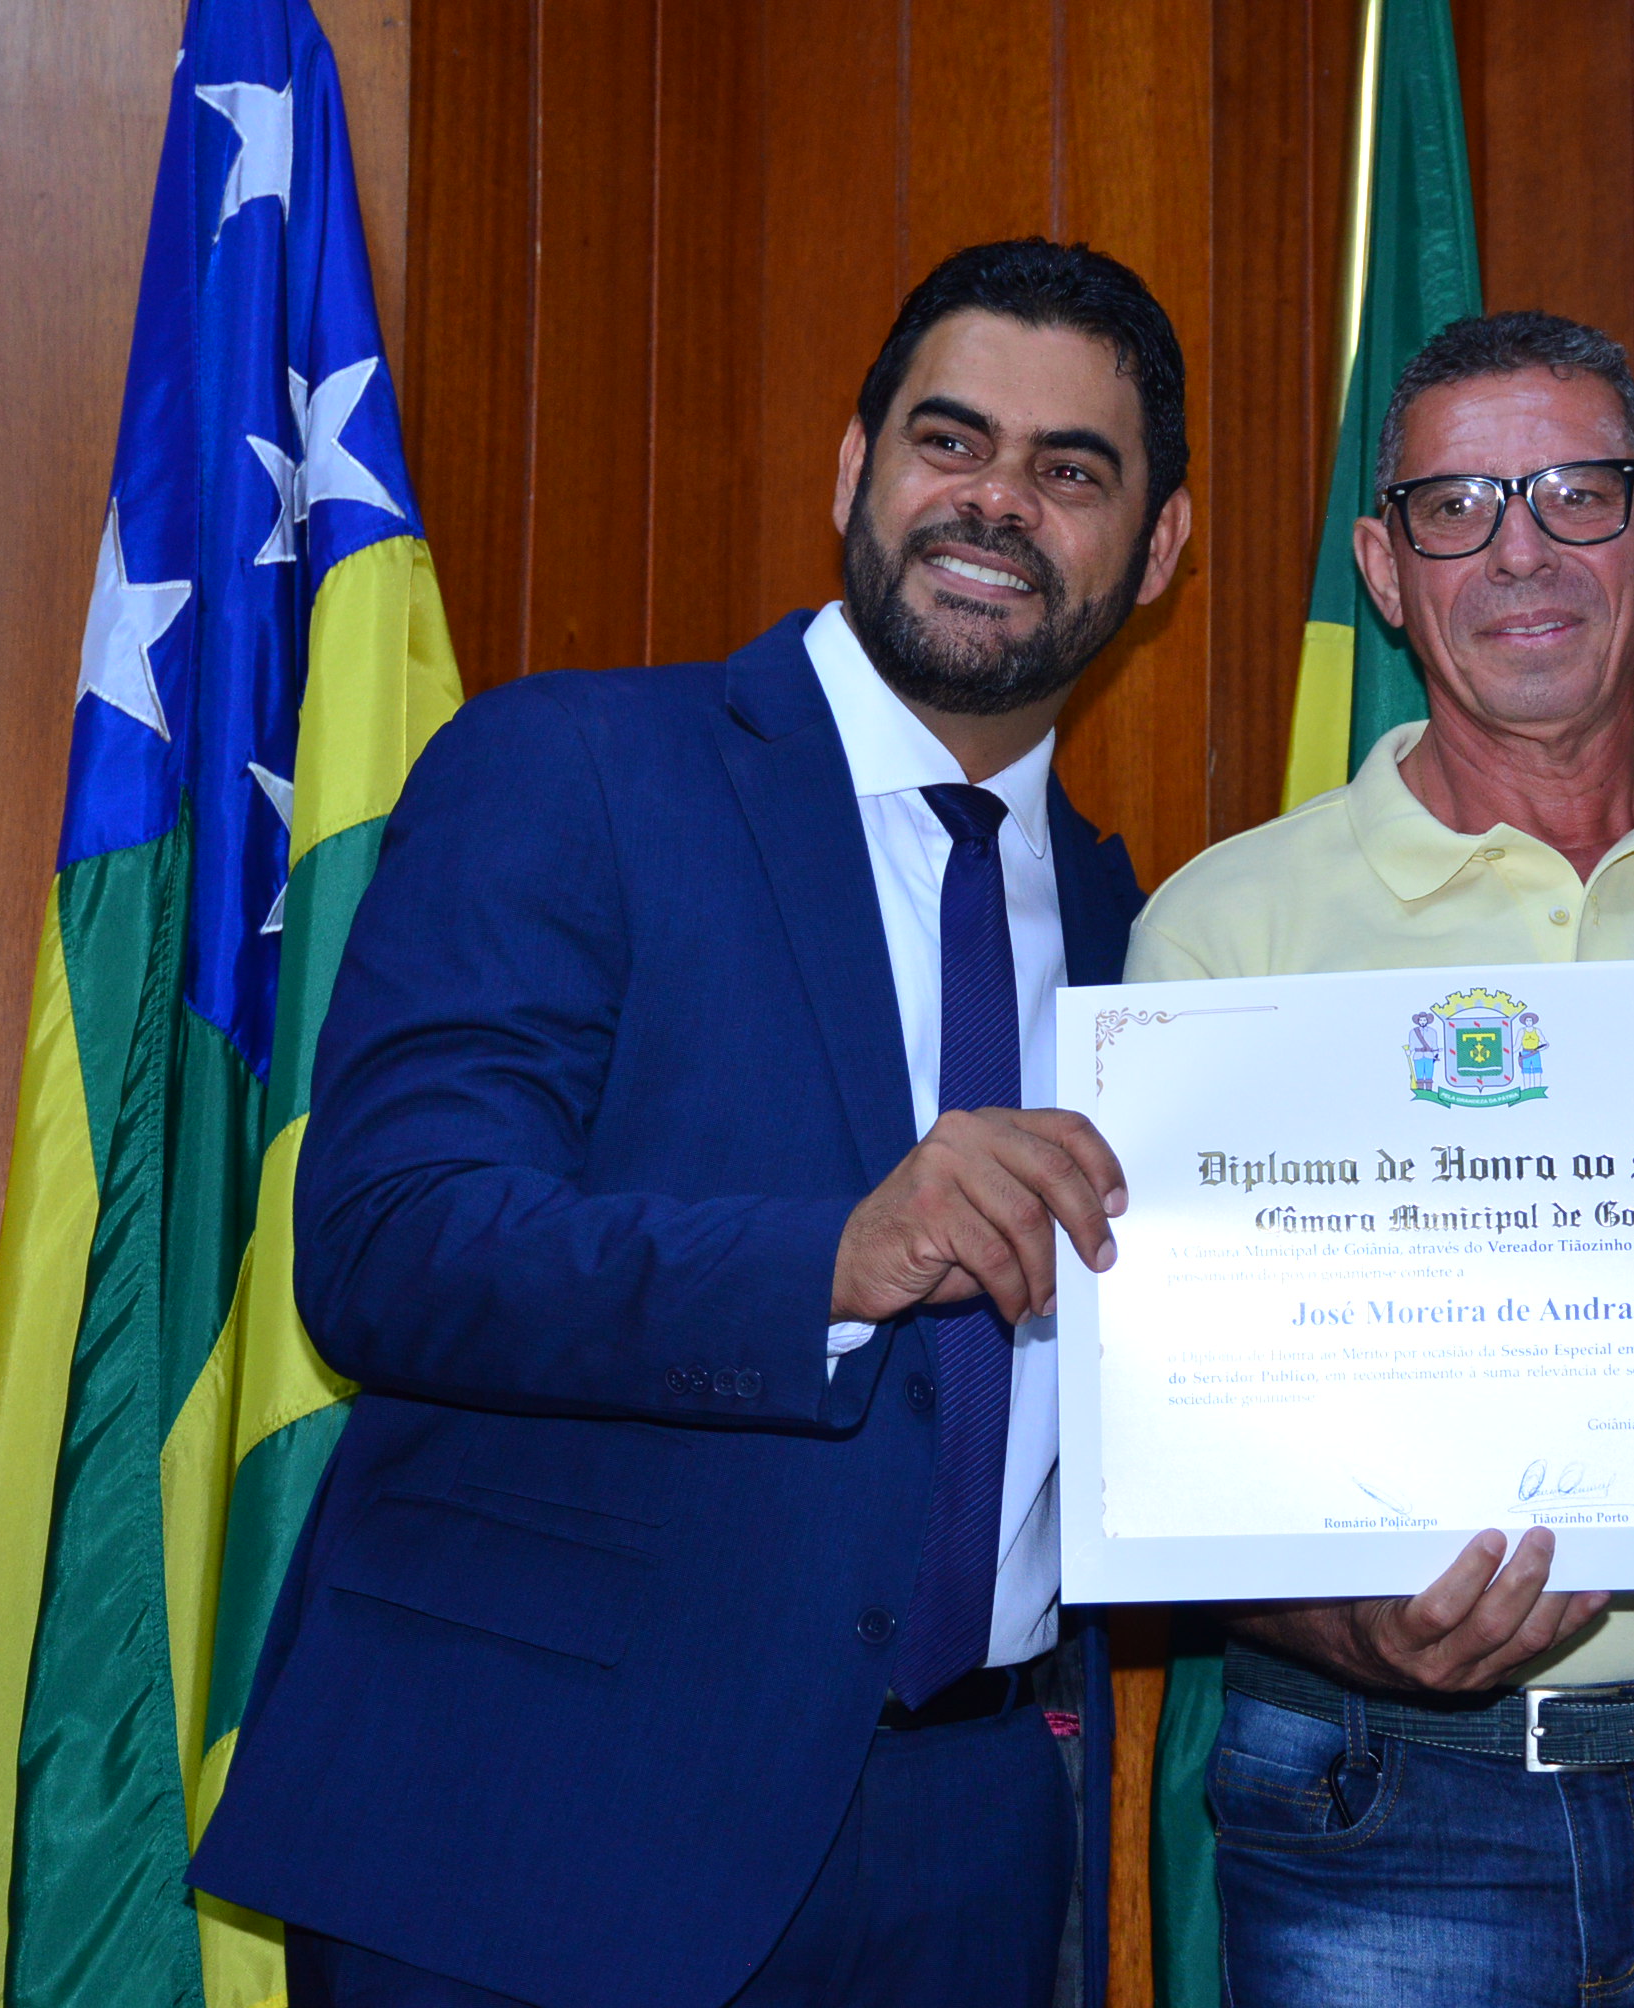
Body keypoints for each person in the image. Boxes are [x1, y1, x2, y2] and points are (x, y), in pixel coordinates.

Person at [188, 239, 1193, 2008]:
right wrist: (832, 1261)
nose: (996, 502)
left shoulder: (1143, 935)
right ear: (854, 468)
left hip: (973, 1851)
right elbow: (385, 1240)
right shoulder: (571, 768)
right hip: (540, 1838)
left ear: (1159, 549)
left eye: (1071, 469)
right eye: (950, 440)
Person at [1128, 310, 1634, 2008]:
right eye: (1455, 507)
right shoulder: (1221, 935)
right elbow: (1177, 1437)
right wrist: (1349, 1627)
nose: (1521, 551)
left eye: (1579, 492)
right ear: (1384, 569)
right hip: (1378, 1799)